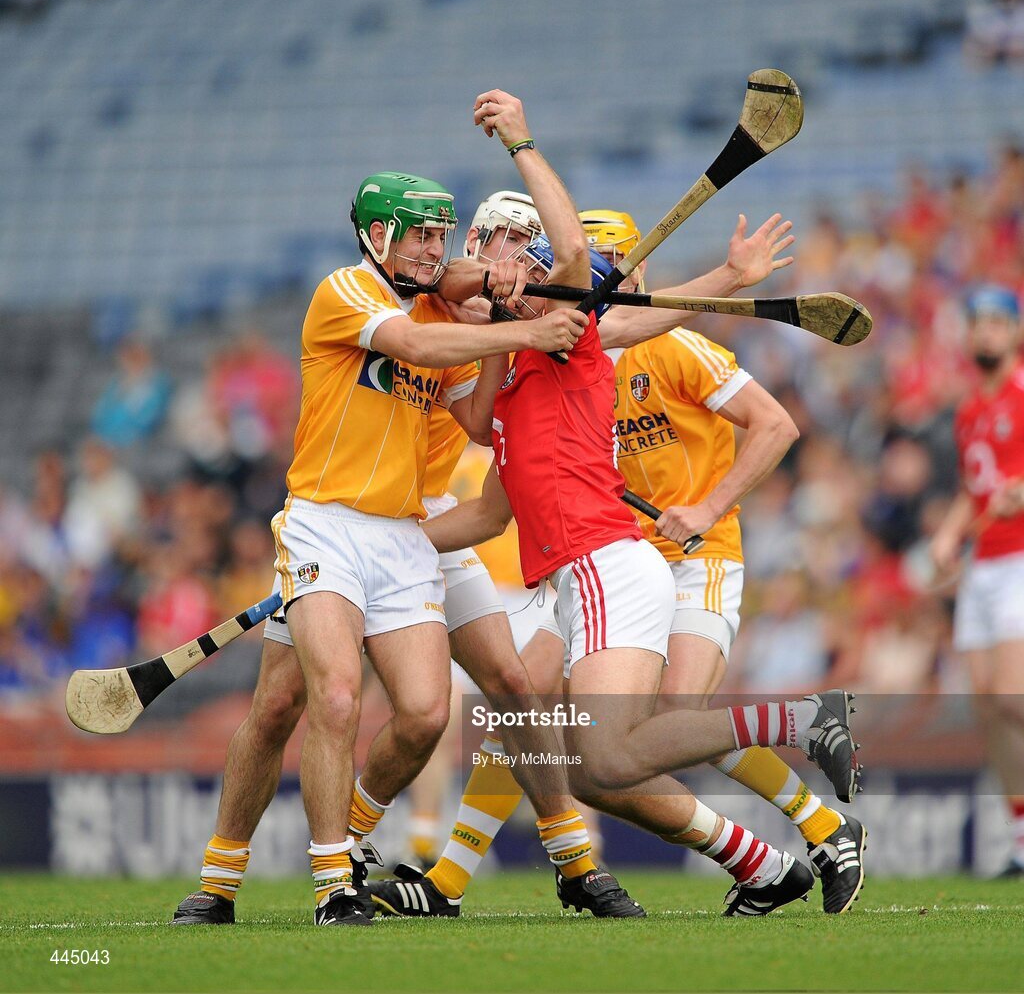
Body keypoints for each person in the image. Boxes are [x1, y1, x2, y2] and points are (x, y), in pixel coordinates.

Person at [374, 89, 860, 919]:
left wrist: (522, 142)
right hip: (593, 573)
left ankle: (804, 719)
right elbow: (485, 478)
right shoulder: (520, 361)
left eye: (526, 264)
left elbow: (569, 251)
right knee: (598, 763)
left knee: (609, 744)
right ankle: (765, 864)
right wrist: (386, 544)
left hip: (606, 566)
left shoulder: (570, 335)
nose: (511, 270)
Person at [171, 164, 588, 928]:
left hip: (401, 537)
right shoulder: (347, 292)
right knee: (314, 699)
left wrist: (499, 319)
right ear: (378, 236)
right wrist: (521, 321)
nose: (433, 251)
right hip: (324, 523)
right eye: (420, 236)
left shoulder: (443, 311)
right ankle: (282, 881)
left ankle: (347, 838)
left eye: (439, 235)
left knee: (426, 713)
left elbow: (472, 417)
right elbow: (410, 345)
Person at [930, 284, 1024, 878]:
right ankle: (1019, 835)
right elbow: (974, 488)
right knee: (990, 704)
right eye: (976, 322)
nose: (984, 332)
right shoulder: (969, 410)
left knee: (1014, 697)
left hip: (1019, 558)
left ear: (1015, 332)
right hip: (983, 564)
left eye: (995, 322)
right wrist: (947, 534)